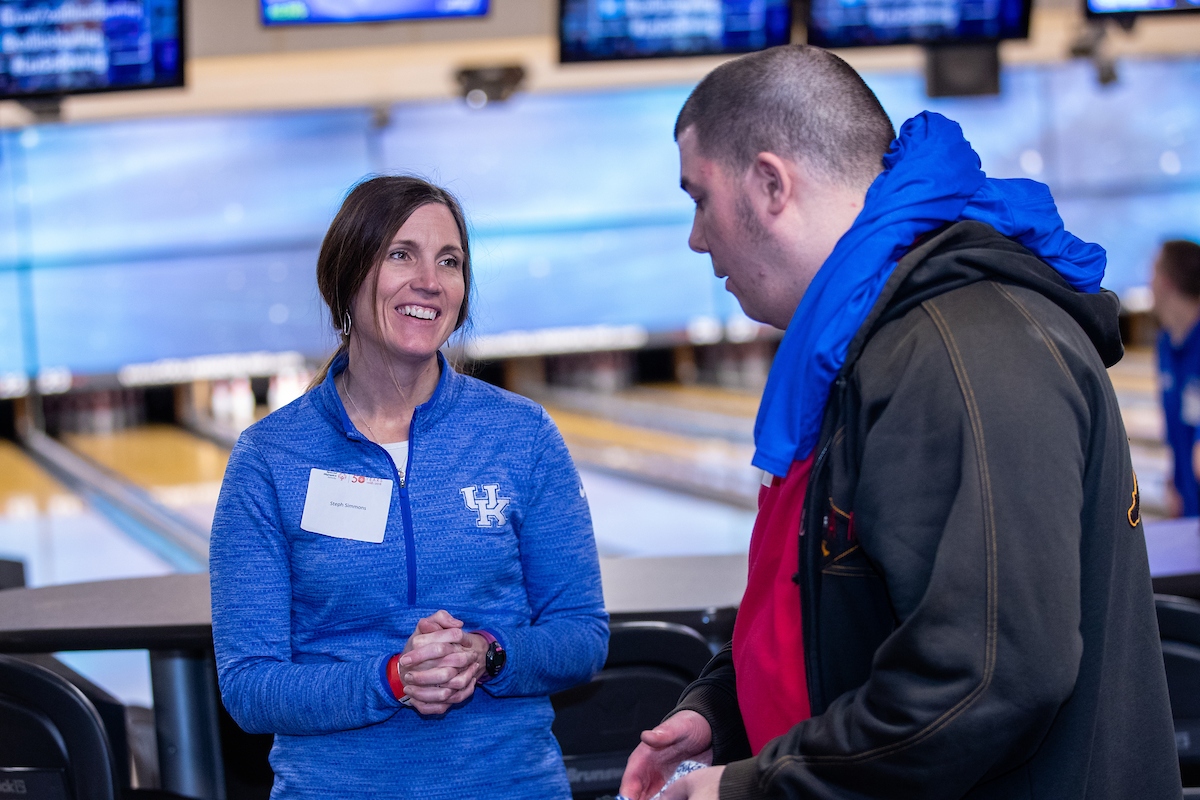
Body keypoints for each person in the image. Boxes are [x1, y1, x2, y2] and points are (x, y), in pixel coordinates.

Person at [619, 45, 1180, 800]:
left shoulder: (955, 347)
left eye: (698, 197)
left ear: (770, 183)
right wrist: (726, 711)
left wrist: (748, 788)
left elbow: (987, 675)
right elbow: (844, 594)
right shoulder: (867, 342)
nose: (696, 236)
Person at [209, 176, 608, 799]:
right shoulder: (268, 459)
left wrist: (488, 654)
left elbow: (581, 635)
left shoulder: (521, 434)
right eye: (401, 254)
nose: (430, 279)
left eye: (449, 261)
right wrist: (392, 678)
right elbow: (249, 687)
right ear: (347, 276)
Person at [1152, 239, 1200, 517]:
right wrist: (1174, 483)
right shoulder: (1165, 345)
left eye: (1153, 274)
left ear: (1166, 281)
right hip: (1187, 512)